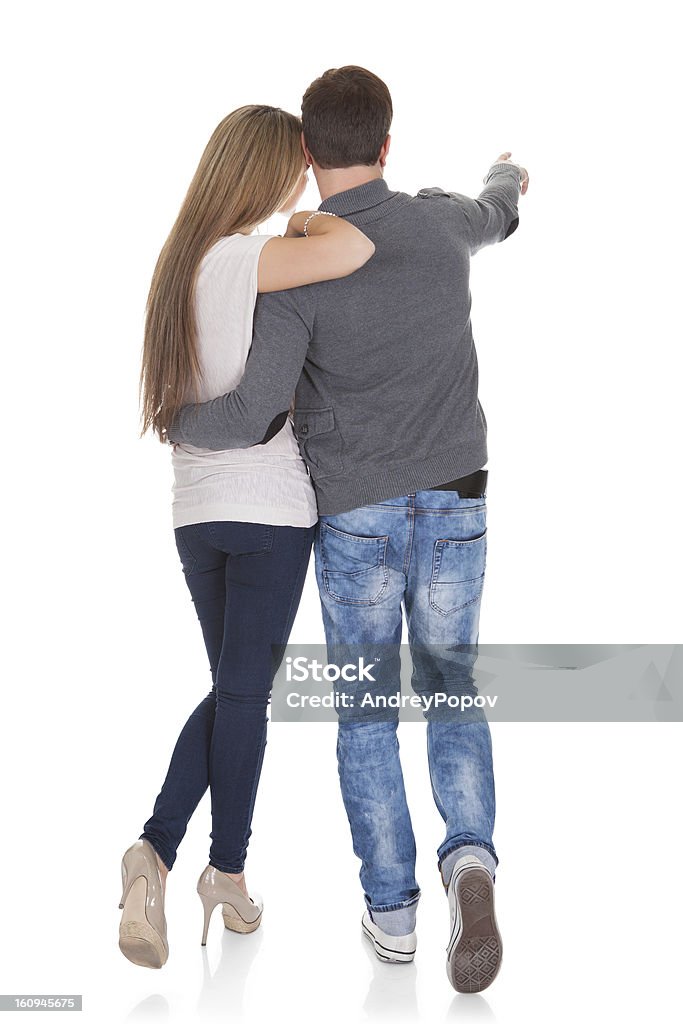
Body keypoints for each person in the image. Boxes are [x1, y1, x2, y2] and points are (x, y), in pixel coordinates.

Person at [168, 66, 529, 994]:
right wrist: (506, 174)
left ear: (304, 153)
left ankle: (393, 914)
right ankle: (472, 864)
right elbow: (498, 210)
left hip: (355, 516)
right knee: (450, 685)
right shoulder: (442, 220)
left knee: (365, 714)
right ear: (387, 141)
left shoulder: (296, 269)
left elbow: (250, 411)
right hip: (458, 499)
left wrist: (176, 421)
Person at [118, 103, 375, 970]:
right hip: (267, 511)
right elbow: (350, 248)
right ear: (264, 171)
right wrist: (304, 217)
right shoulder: (246, 256)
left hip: (196, 513)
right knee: (242, 698)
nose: (304, 183)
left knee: (231, 691)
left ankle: (195, 867)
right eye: (296, 168)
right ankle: (179, 857)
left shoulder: (182, 262)